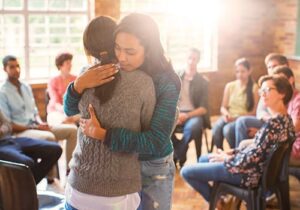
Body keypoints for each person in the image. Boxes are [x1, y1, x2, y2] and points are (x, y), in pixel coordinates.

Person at [64, 13, 181, 210]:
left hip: (153, 164)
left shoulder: (166, 81)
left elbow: (155, 140)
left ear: (149, 49)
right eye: (117, 48)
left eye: (130, 51)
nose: (121, 57)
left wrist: (104, 134)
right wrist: (78, 85)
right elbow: (70, 108)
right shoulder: (110, 70)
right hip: (123, 166)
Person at [180, 75, 295, 206]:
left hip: (247, 173)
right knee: (203, 159)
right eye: (261, 90)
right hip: (254, 169)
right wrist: (233, 152)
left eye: (267, 89)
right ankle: (222, 199)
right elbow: (258, 148)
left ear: (282, 93)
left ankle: (219, 202)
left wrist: (227, 158)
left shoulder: (272, 125)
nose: (262, 94)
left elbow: (251, 158)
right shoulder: (285, 120)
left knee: (186, 171)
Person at [0, 55, 77, 179]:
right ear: (5, 69)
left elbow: (34, 112)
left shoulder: (26, 87)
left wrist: (41, 123)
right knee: (49, 137)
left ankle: (70, 172)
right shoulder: (2, 92)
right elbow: (9, 124)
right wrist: (35, 127)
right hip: (20, 131)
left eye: (18, 66)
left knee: (72, 131)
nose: (16, 70)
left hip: (35, 126)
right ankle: (51, 178)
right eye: (12, 67)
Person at [235, 53, 289, 147]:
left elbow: (284, 124)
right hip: (266, 121)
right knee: (231, 127)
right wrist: (268, 122)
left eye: (274, 66)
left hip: (272, 125)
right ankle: (235, 151)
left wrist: (264, 129)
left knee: (240, 123)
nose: (272, 70)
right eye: (269, 67)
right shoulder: (267, 84)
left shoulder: (284, 89)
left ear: (285, 66)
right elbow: (259, 111)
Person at [0, 109, 62, 184]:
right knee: (28, 163)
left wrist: (2, 130)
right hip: (2, 147)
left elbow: (7, 124)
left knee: (55, 149)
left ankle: (28, 187)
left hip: (11, 139)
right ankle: (28, 188)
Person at [172, 48, 210, 168]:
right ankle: (181, 152)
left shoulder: (203, 82)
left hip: (194, 114)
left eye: (194, 59)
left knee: (194, 128)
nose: (191, 61)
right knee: (165, 125)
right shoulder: (176, 77)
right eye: (189, 58)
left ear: (198, 61)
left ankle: (179, 152)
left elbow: (203, 108)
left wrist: (186, 115)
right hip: (176, 112)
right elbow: (168, 99)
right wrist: (176, 115)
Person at [212, 58, 258, 149]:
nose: (239, 74)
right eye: (237, 71)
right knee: (216, 129)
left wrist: (236, 118)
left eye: (243, 71)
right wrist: (226, 114)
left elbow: (254, 112)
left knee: (227, 130)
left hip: (242, 119)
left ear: (249, 71)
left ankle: (236, 152)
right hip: (229, 116)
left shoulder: (255, 88)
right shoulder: (230, 86)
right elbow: (223, 107)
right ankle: (220, 151)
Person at [272, 66, 300, 166]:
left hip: (295, 147)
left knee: (265, 153)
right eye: (277, 84)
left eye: (282, 81)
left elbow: (295, 128)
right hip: (287, 143)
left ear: (291, 80)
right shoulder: (287, 98)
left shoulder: (298, 99)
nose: (279, 86)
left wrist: (271, 135)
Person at [47, 52, 79, 126]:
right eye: (67, 63)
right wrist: (66, 111)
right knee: (65, 122)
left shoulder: (76, 79)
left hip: (73, 111)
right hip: (56, 110)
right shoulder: (53, 81)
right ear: (60, 65)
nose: (70, 65)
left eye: (71, 63)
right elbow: (55, 102)